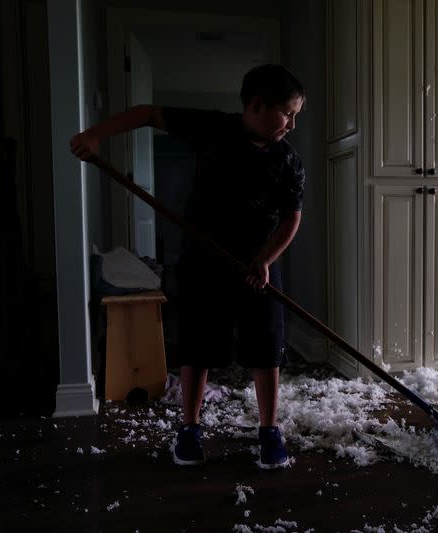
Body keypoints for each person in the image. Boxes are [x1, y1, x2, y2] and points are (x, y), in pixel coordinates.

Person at [69, 64, 306, 469]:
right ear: (256, 105)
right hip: (203, 258)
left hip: (259, 263)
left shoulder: (287, 160)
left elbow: (290, 219)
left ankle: (269, 430)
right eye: (288, 113)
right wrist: (95, 136)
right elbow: (146, 113)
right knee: (197, 344)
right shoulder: (213, 129)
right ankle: (190, 429)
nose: (293, 124)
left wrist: (265, 260)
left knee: (266, 347)